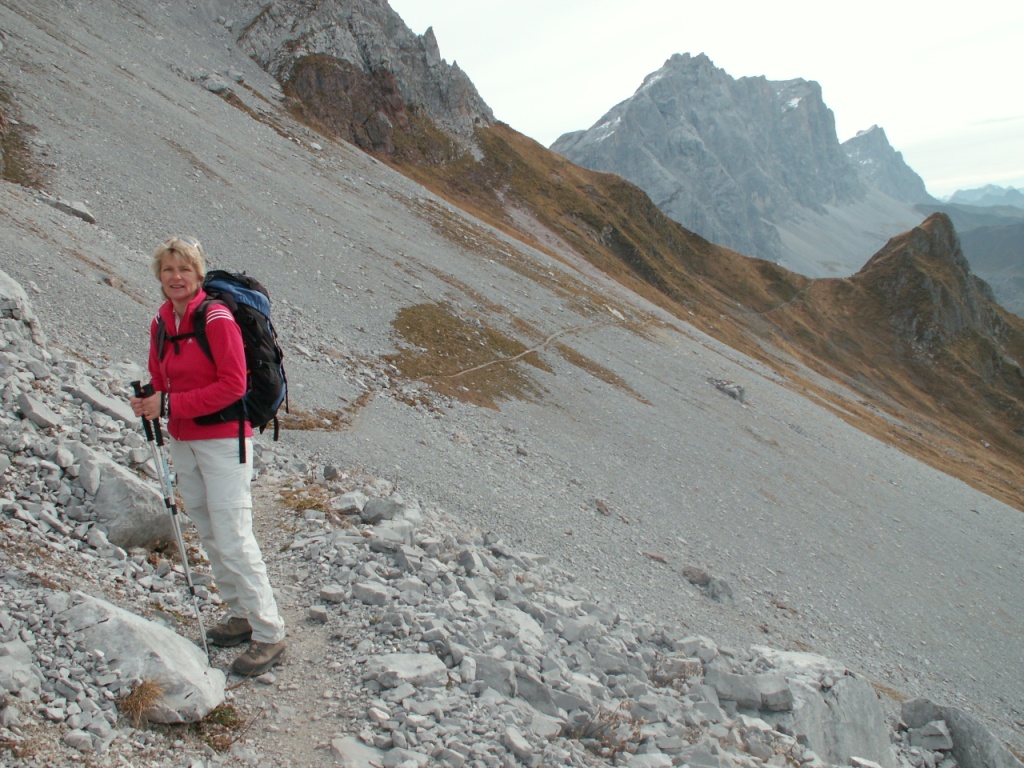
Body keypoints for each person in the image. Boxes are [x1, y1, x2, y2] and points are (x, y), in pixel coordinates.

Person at [129, 235, 286, 676]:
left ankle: (270, 632)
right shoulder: (162, 322)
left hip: (223, 439)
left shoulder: (217, 319)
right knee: (207, 526)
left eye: (184, 270)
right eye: (167, 270)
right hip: (183, 439)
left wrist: (169, 405)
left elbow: (233, 385)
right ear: (159, 276)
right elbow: (161, 377)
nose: (175, 277)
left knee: (234, 533)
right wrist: (152, 400)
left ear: (199, 275)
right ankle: (240, 615)